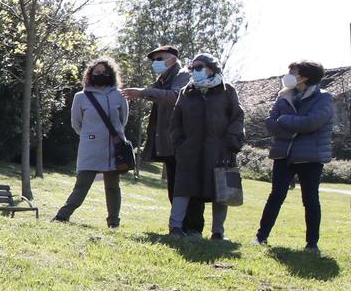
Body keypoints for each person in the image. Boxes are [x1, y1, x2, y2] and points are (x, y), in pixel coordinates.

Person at [165, 53, 245, 241]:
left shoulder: (227, 90)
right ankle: (175, 227)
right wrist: (179, 144)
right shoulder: (187, 91)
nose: (195, 71)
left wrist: (232, 141)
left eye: (199, 67)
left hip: (219, 151)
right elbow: (176, 120)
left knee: (220, 190)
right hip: (189, 151)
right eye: (193, 68)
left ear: (211, 68)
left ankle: (218, 232)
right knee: (183, 189)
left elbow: (237, 117)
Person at [257, 61, 334, 251]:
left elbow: (312, 122)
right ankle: (261, 237)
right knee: (276, 196)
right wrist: (290, 125)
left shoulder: (323, 98)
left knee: (310, 199)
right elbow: (270, 123)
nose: (288, 74)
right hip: (284, 154)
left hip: (310, 157)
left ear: (305, 76)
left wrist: (284, 120)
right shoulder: (283, 96)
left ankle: (312, 244)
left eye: (293, 71)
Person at [53, 58, 130, 229]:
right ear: (90, 75)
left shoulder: (119, 95)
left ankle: (113, 223)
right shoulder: (80, 97)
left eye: (104, 73)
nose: (101, 75)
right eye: (97, 73)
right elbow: (76, 124)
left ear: (110, 74)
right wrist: (91, 136)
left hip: (113, 148)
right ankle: (62, 216)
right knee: (81, 185)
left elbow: (123, 120)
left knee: (112, 187)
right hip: (90, 148)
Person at [125, 44, 187, 225]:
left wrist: (143, 92)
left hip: (181, 142)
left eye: (159, 59)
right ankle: (179, 225)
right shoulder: (162, 79)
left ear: (173, 59)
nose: (155, 63)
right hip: (169, 142)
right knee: (173, 185)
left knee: (183, 186)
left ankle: (188, 227)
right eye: (154, 60)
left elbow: (175, 96)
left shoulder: (183, 76)